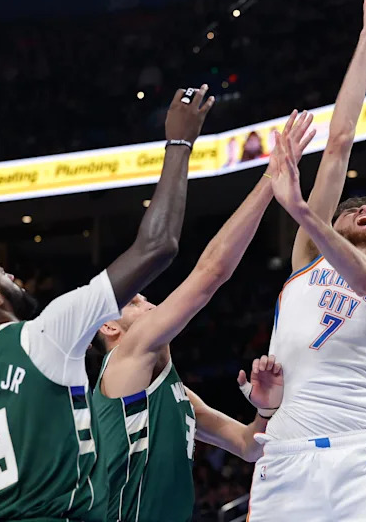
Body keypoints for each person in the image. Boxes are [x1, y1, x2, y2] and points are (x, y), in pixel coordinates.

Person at [0, 87, 213, 522]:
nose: (15, 276)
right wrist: (179, 144)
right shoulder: (45, 332)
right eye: (3, 274)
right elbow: (157, 246)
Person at [247, 0, 366, 522]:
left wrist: (303, 213)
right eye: (352, 211)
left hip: (362, 457)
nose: (363, 212)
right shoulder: (307, 263)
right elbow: (340, 142)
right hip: (286, 460)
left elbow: (365, 283)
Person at [90, 110, 315, 521]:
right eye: (134, 301)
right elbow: (210, 274)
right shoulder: (124, 358)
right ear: (110, 327)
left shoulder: (175, 395)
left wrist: (264, 410)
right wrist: (271, 177)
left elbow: (248, 445)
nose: (148, 300)